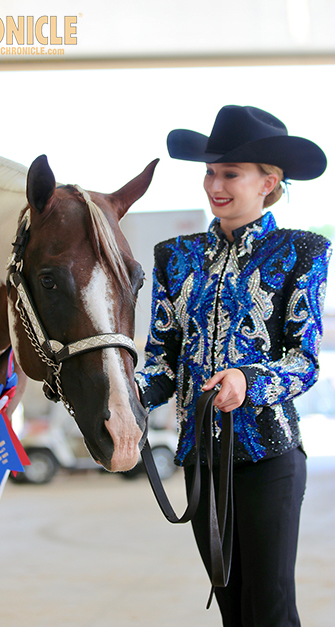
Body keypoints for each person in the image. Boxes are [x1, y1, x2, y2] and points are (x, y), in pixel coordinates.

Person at [135, 105, 331, 627]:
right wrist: (125, 394)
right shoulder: (174, 258)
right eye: (210, 172)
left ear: (269, 182)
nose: (214, 185)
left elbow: (304, 361)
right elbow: (161, 356)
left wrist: (249, 379)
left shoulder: (302, 252)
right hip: (201, 458)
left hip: (269, 455)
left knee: (268, 609)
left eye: (230, 174)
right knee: (231, 606)